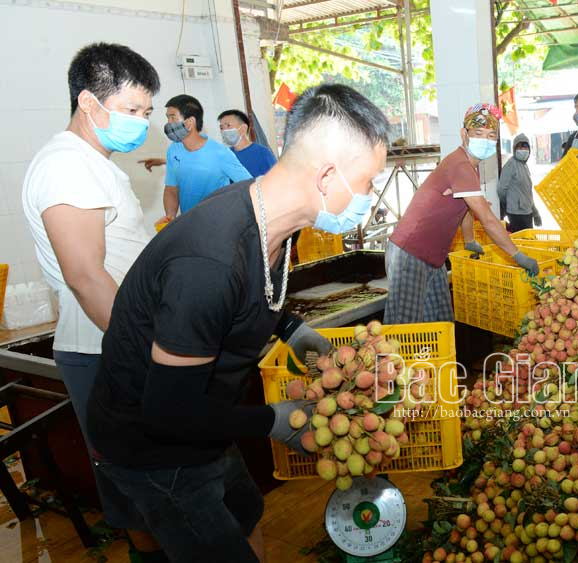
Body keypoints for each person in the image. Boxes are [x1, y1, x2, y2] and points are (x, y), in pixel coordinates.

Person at [86, 83, 386, 561]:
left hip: (206, 424)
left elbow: (249, 294)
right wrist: (273, 420)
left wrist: (289, 329)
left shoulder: (270, 218)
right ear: (328, 175)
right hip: (155, 448)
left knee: (245, 514)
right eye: (368, 182)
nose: (368, 198)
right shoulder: (208, 261)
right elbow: (167, 411)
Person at [22, 42, 166, 562]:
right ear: (89, 101)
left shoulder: (94, 163)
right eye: (132, 110)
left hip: (116, 343)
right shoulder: (67, 167)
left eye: (147, 112)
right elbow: (86, 277)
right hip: (108, 350)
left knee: (150, 485)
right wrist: (153, 353)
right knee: (146, 487)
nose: (141, 122)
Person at [385, 103, 540, 324]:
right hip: (410, 252)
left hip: (432, 256)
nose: (485, 140)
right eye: (478, 134)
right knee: (406, 327)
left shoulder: (470, 165)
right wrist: (518, 256)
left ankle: (435, 360)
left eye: (490, 135)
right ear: (464, 134)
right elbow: (486, 218)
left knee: (439, 321)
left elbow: (465, 207)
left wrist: (469, 240)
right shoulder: (461, 166)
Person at [160, 94, 252, 221]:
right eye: (167, 118)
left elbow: (250, 186)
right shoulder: (173, 150)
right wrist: (170, 216)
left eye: (173, 117)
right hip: (189, 223)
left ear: (190, 123)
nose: (168, 123)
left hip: (218, 224)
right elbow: (171, 189)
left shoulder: (220, 153)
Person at [497, 133, 541, 233]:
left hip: (527, 212)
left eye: (525, 147)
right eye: (519, 146)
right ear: (514, 149)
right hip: (516, 213)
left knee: (529, 241)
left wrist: (535, 212)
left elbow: (527, 192)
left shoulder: (524, 166)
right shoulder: (511, 165)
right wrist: (508, 204)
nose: (523, 149)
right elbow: (501, 189)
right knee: (522, 242)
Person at [218, 109, 277, 177]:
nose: (224, 131)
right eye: (221, 128)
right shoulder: (226, 154)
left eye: (228, 125)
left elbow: (275, 180)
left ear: (243, 128)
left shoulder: (262, 153)